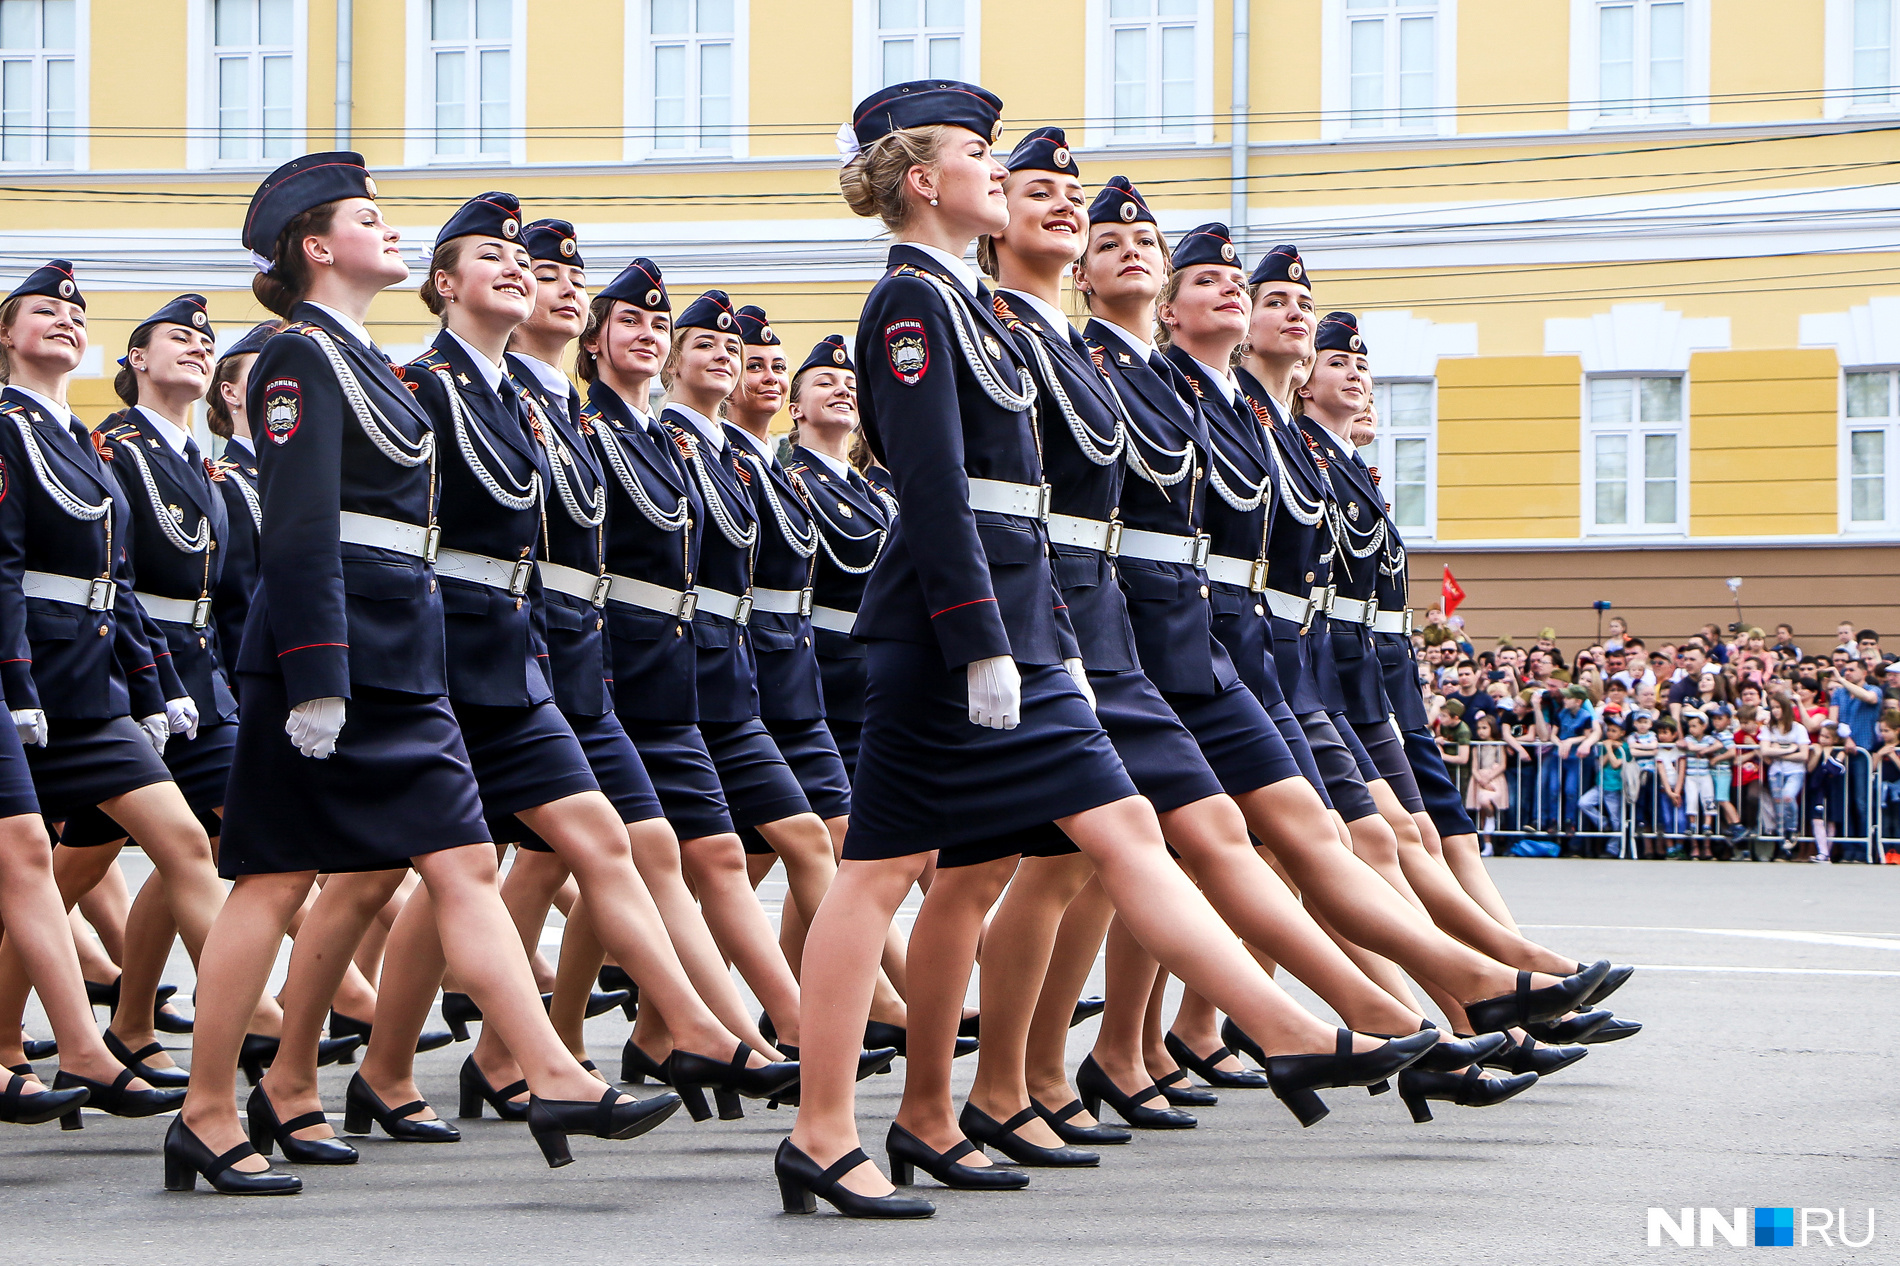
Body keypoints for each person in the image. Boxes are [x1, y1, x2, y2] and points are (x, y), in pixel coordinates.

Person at [779, 82, 1527, 1220]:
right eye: (979, 156)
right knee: (882, 872)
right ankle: (829, 1130)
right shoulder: (908, 308)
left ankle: (1244, 1036)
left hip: (1024, 624)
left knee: (1107, 834)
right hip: (948, 633)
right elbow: (930, 488)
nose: (996, 172)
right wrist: (979, 639)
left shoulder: (968, 308)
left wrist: (1051, 641)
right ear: (925, 180)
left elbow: (1026, 499)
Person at [172, 155, 679, 1196]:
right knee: (271, 880)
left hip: (404, 655)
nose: (390, 232)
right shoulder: (297, 357)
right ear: (317, 248)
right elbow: (302, 524)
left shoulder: (365, 363)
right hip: (331, 657)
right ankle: (208, 1110)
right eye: (369, 219)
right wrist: (317, 673)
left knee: (460, 866)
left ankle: (550, 1071)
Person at [572, 260, 817, 1069]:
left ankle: (752, 1029)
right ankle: (777, 1030)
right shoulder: (596, 432)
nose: (649, 336)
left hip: (702, 674)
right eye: (638, 326)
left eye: (659, 325)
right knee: (590, 861)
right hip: (627, 674)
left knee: (658, 857)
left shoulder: (668, 444)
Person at [0, 261, 226, 1125]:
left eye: (72, 313)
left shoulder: (83, 442)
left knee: (181, 842)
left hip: (93, 689)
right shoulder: (11, 428)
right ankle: (44, 1044)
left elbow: (117, 581)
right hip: (36, 678)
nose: (62, 320)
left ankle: (231, 1028)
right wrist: (18, 683)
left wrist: (155, 684)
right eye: (42, 312)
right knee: (34, 871)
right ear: (8, 336)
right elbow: (7, 568)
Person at [784, 335, 893, 779]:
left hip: (884, 684)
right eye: (825, 382)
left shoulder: (879, 498)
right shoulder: (790, 485)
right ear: (795, 409)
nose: (843, 390)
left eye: (851, 383)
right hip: (829, 681)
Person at [204, 321, 275, 676]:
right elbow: (237, 604)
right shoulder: (226, 482)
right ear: (231, 393)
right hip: (260, 674)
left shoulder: (302, 477)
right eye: (266, 371)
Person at [1759, 694, 1810, 853]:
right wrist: (1789, 749)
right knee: (1778, 806)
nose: (1775, 711)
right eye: (1772, 708)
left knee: (1788, 796)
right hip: (1776, 771)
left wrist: (1777, 751)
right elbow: (1764, 750)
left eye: (1778, 707)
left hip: (1795, 771)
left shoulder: (1798, 728)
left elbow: (1804, 755)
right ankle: (1783, 845)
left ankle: (1792, 829)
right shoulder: (1768, 729)